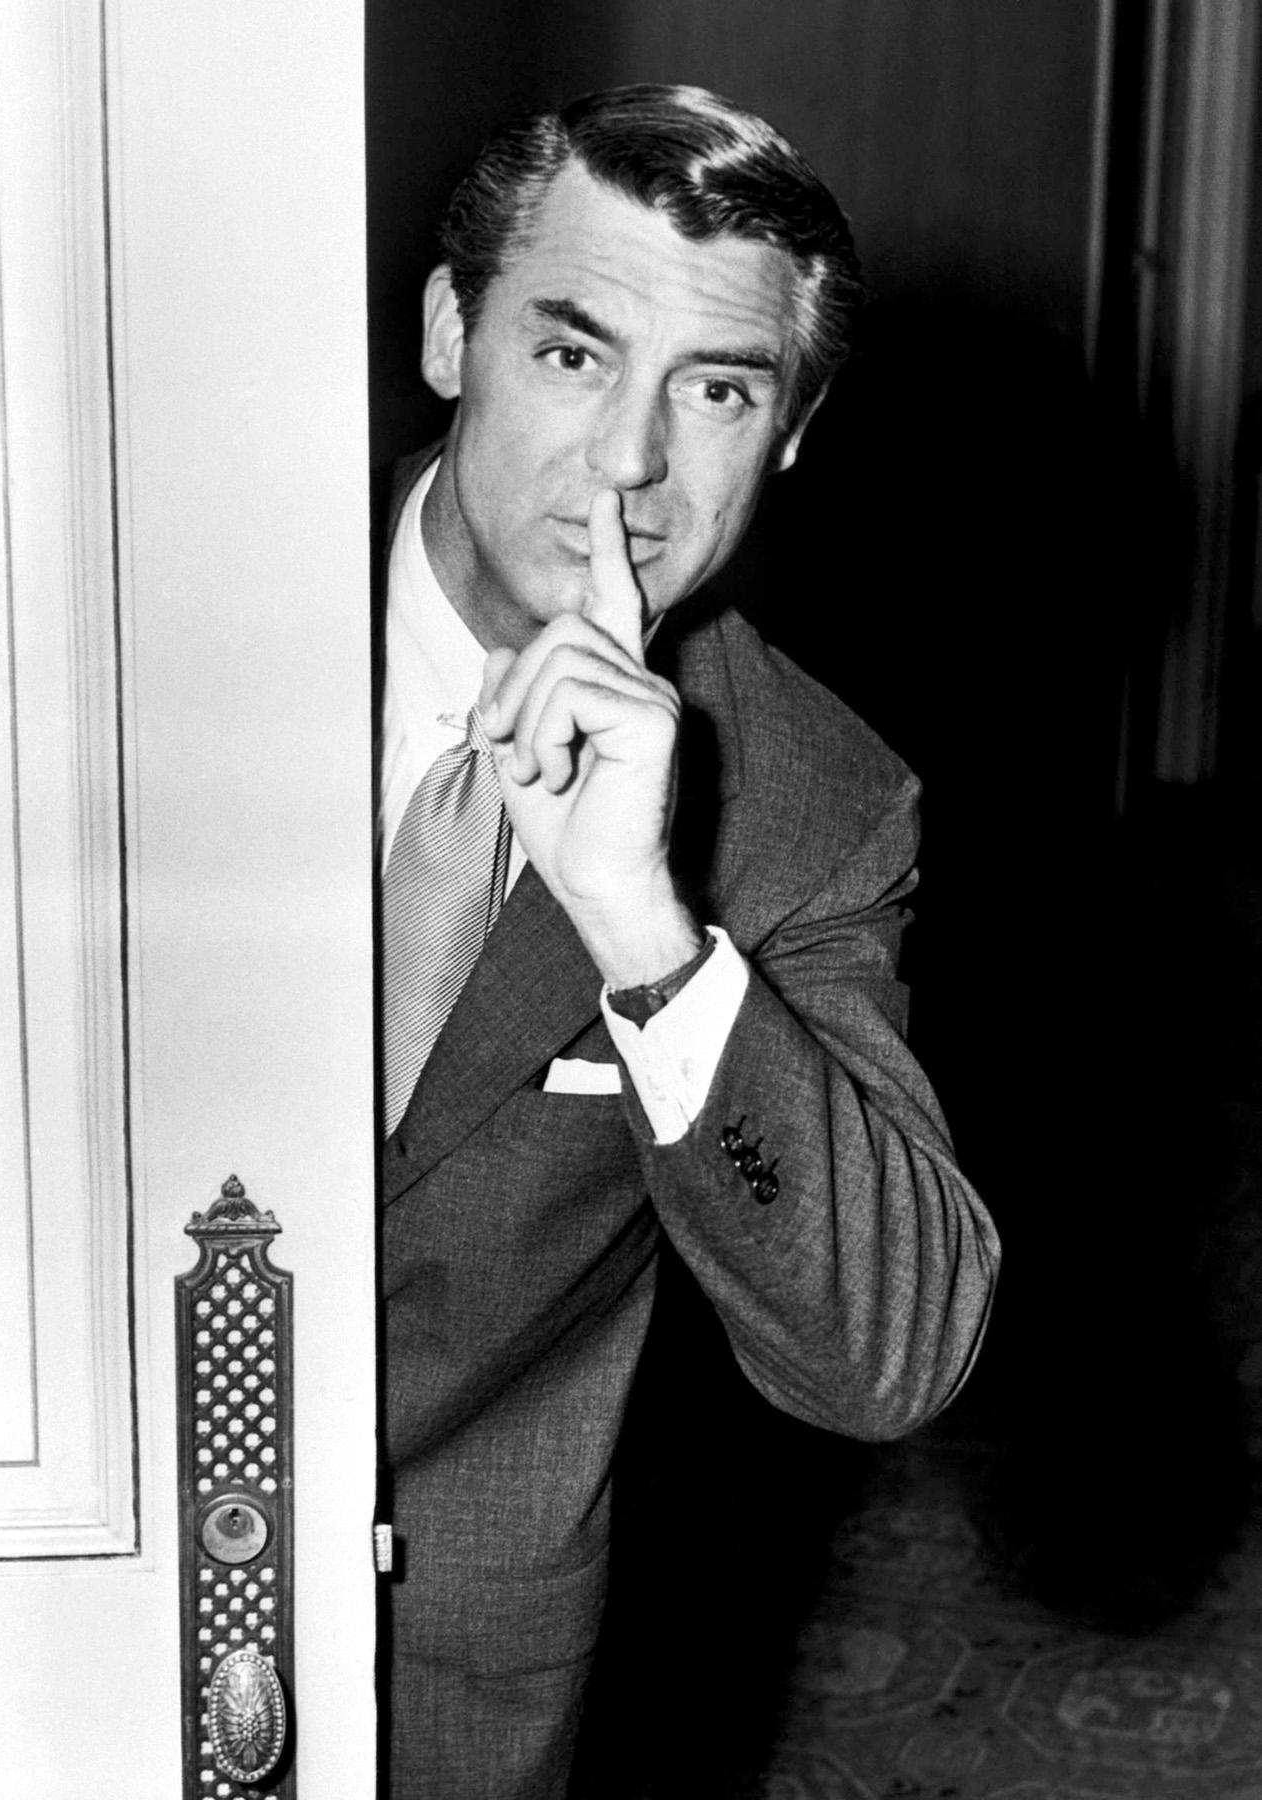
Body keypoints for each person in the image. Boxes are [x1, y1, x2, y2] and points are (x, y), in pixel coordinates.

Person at [377, 83, 1000, 1799]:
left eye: (716, 389)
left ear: (790, 432)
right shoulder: (146, 611)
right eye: (572, 353)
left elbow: (889, 1350)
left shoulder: (813, 801)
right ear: (449, 334)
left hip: (450, 1651)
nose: (629, 463)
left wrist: (642, 928)